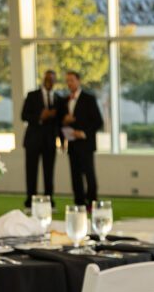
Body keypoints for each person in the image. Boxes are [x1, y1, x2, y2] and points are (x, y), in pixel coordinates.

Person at [61, 71, 103, 207]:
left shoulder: (89, 99)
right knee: (75, 175)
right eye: (67, 81)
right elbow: (60, 123)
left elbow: (98, 121)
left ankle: (92, 202)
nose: (69, 83)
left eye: (72, 80)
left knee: (89, 174)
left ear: (78, 81)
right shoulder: (65, 100)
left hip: (86, 143)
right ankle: (79, 203)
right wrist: (65, 121)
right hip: (72, 144)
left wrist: (84, 133)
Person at [20, 69, 63, 201]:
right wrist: (40, 116)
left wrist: (62, 140)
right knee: (31, 171)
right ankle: (30, 200)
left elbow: (60, 122)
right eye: (47, 79)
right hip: (33, 140)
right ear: (43, 80)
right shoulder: (32, 95)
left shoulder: (58, 99)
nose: (50, 82)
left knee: (49, 172)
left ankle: (49, 199)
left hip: (49, 141)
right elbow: (24, 115)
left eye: (52, 79)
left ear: (55, 82)